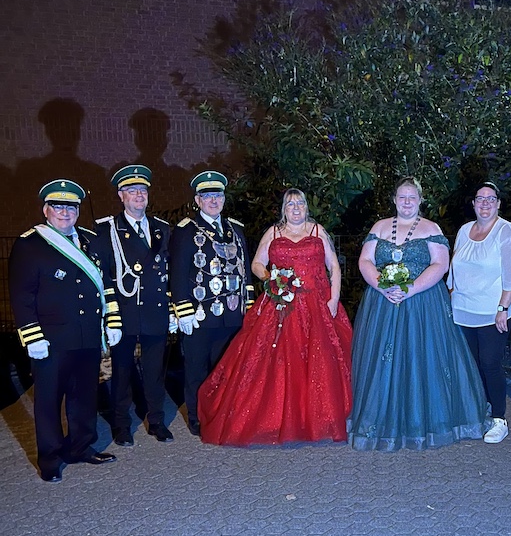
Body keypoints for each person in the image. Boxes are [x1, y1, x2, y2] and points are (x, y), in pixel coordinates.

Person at [198, 189, 353, 445]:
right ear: (283, 208)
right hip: (282, 305)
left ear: (306, 207)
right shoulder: (273, 233)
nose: (295, 208)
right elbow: (257, 264)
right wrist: (272, 279)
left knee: (319, 362)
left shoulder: (317, 231)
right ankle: (280, 418)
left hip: (317, 306)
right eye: (290, 204)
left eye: (300, 203)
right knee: (279, 361)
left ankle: (318, 418)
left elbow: (334, 265)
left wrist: (334, 299)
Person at [349, 176, 490, 450]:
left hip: (422, 304)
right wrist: (382, 287)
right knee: (383, 362)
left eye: (412, 197)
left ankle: (423, 422)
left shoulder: (430, 227)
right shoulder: (379, 227)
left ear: (420, 200)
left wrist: (410, 289)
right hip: (383, 303)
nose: (407, 202)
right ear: (394, 199)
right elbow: (365, 260)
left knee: (422, 360)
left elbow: (440, 264)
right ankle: (383, 421)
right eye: (402, 197)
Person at [9, 179, 120, 482]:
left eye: (70, 206)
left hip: (86, 336)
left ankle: (81, 447)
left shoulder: (89, 239)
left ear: (77, 210)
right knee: (48, 401)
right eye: (58, 206)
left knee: (84, 396)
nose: (64, 212)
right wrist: (32, 336)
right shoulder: (30, 244)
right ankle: (49, 457)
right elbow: (22, 295)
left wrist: (112, 321)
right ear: (46, 209)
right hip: (51, 340)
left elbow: (104, 285)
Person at [169, 171, 254, 437]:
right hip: (200, 314)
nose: (213, 201)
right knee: (196, 369)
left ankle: (221, 413)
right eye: (207, 196)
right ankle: (196, 416)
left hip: (231, 315)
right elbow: (179, 273)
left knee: (226, 369)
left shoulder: (236, 229)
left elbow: (244, 273)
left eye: (217, 195)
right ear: (197, 200)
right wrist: (183, 310)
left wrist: (248, 307)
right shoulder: (185, 231)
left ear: (224, 198)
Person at [94, 165, 173, 446]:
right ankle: (121, 424)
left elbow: (171, 271)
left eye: (142, 190)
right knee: (122, 372)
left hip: (155, 311)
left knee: (154, 372)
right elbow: (101, 275)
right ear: (121, 195)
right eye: (132, 191)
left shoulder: (162, 229)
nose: (138, 195)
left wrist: (174, 309)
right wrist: (107, 316)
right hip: (124, 313)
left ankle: (157, 421)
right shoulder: (106, 230)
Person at [447, 182, 511, 444]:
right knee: (472, 365)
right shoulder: (464, 230)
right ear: (473, 204)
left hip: (493, 312)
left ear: (499, 203)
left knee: (490, 363)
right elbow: (454, 270)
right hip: (463, 310)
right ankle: (481, 411)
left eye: (491, 199)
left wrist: (503, 308)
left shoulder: (507, 231)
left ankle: (500, 419)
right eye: (480, 199)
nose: (485, 203)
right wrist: (450, 296)